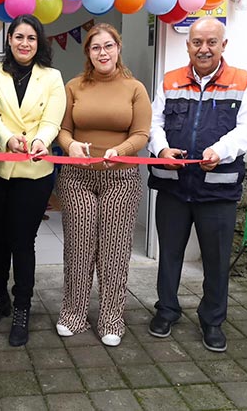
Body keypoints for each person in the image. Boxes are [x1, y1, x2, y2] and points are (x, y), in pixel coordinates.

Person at [147, 16, 247, 352]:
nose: (204, 48)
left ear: (224, 45)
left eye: (212, 42)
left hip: (218, 189)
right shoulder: (169, 80)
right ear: (187, 45)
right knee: (168, 255)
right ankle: (166, 311)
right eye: (197, 42)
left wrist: (221, 151)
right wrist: (162, 148)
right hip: (174, 187)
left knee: (215, 259)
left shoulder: (243, 81)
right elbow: (154, 123)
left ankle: (212, 321)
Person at [55, 23, 151, 347]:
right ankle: (73, 313)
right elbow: (63, 129)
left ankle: (112, 318)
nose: (103, 53)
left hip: (120, 178)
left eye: (108, 46)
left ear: (118, 48)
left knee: (114, 249)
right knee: (79, 247)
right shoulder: (74, 86)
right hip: (77, 176)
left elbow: (141, 134)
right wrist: (70, 147)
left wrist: (120, 151)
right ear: (88, 53)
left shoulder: (134, 88)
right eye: (96, 48)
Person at [0, 14, 65, 346]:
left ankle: (23, 307)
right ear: (9, 39)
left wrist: (41, 141)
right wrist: (6, 138)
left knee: (22, 241)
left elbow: (52, 118)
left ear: (38, 42)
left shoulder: (52, 76)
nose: (24, 43)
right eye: (18, 37)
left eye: (31, 38)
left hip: (34, 171)